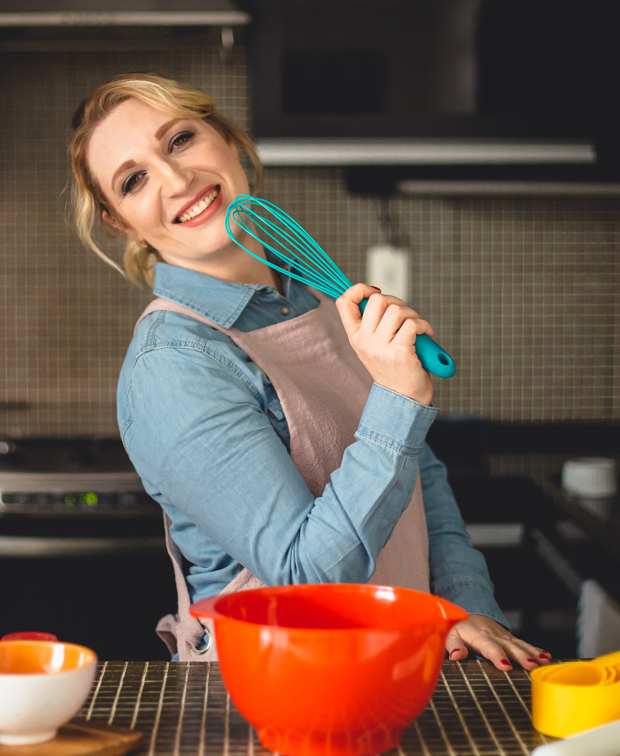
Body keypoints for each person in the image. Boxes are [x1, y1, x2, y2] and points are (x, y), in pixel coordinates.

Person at [68, 73, 550, 670]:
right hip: (271, 691)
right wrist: (399, 402)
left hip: (404, 668)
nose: (175, 179)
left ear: (226, 139)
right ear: (121, 222)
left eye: (181, 140)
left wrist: (464, 607)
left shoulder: (318, 298)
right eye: (134, 180)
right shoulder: (174, 364)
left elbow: (420, 479)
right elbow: (304, 576)